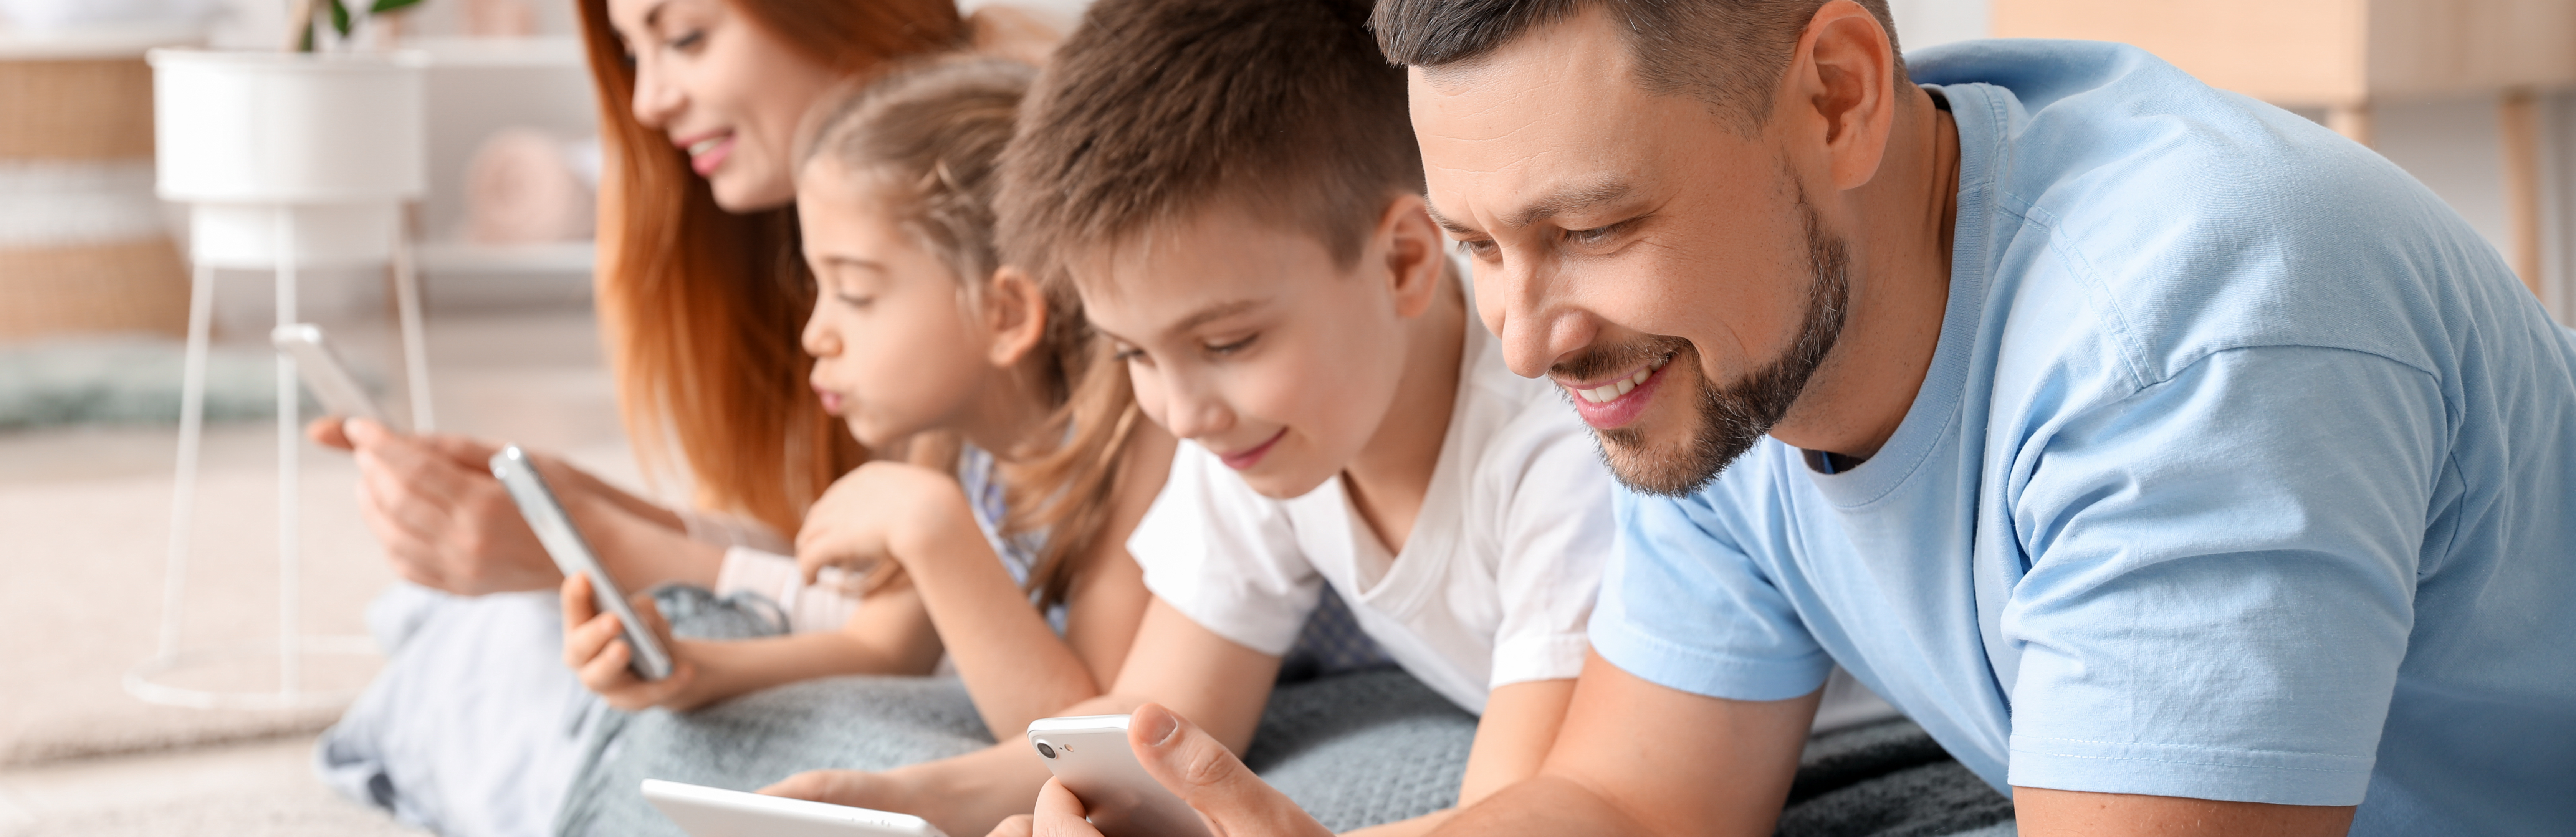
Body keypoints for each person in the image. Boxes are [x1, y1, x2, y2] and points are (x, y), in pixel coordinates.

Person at [1017, 1, 2576, 836]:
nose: (1525, 335)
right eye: (1482, 244)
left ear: (1838, 94)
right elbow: (1637, 801)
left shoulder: (2183, 325)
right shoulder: (1714, 361)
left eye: (1593, 225)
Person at [763, 1, 1820, 834]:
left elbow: (1523, 808)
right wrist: (894, 798)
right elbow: (1149, 724)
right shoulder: (1257, 441)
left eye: (1229, 343)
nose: (1181, 409)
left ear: (1407, 259)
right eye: (1135, 354)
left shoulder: (1558, 441)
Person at [308, 3, 1017, 835]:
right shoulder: (831, 267)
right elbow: (873, 608)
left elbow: (1079, 720)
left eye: (683, 38)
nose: (647, 103)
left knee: (558, 665)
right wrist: (595, 520)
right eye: (630, 52)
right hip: (885, 674)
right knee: (528, 634)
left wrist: (607, 546)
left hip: (968, 715)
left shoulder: (1000, 230)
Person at [540, 56, 1178, 834]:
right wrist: (691, 669)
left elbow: (1082, 739)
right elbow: (881, 647)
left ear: (1007, 312)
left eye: (857, 291)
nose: (817, 333)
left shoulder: (1136, 436)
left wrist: (934, 530)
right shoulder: (954, 440)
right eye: (816, 286)